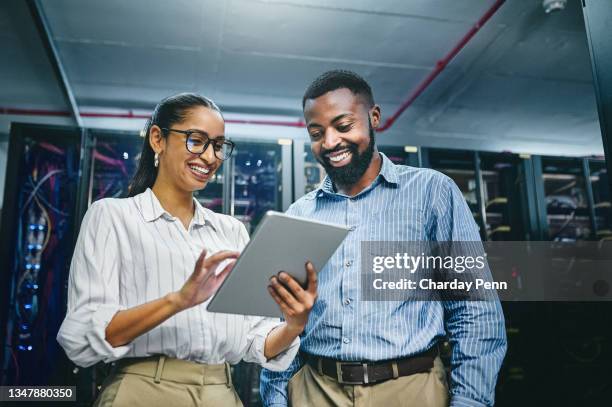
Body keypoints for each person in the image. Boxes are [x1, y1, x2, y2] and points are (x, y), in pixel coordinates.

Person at [260, 71, 507, 407]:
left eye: (343, 126)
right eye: (317, 133)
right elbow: (282, 323)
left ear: (374, 117)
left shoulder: (432, 193)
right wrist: (275, 400)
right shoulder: (299, 214)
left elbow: (475, 312)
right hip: (315, 390)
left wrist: (470, 402)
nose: (330, 142)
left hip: (411, 390)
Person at [57, 93, 318, 406]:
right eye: (197, 141)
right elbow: (82, 338)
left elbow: (256, 341)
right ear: (158, 139)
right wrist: (178, 301)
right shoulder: (112, 217)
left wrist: (294, 323)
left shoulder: (231, 231)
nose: (210, 157)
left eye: (219, 146)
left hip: (221, 393)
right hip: (144, 391)